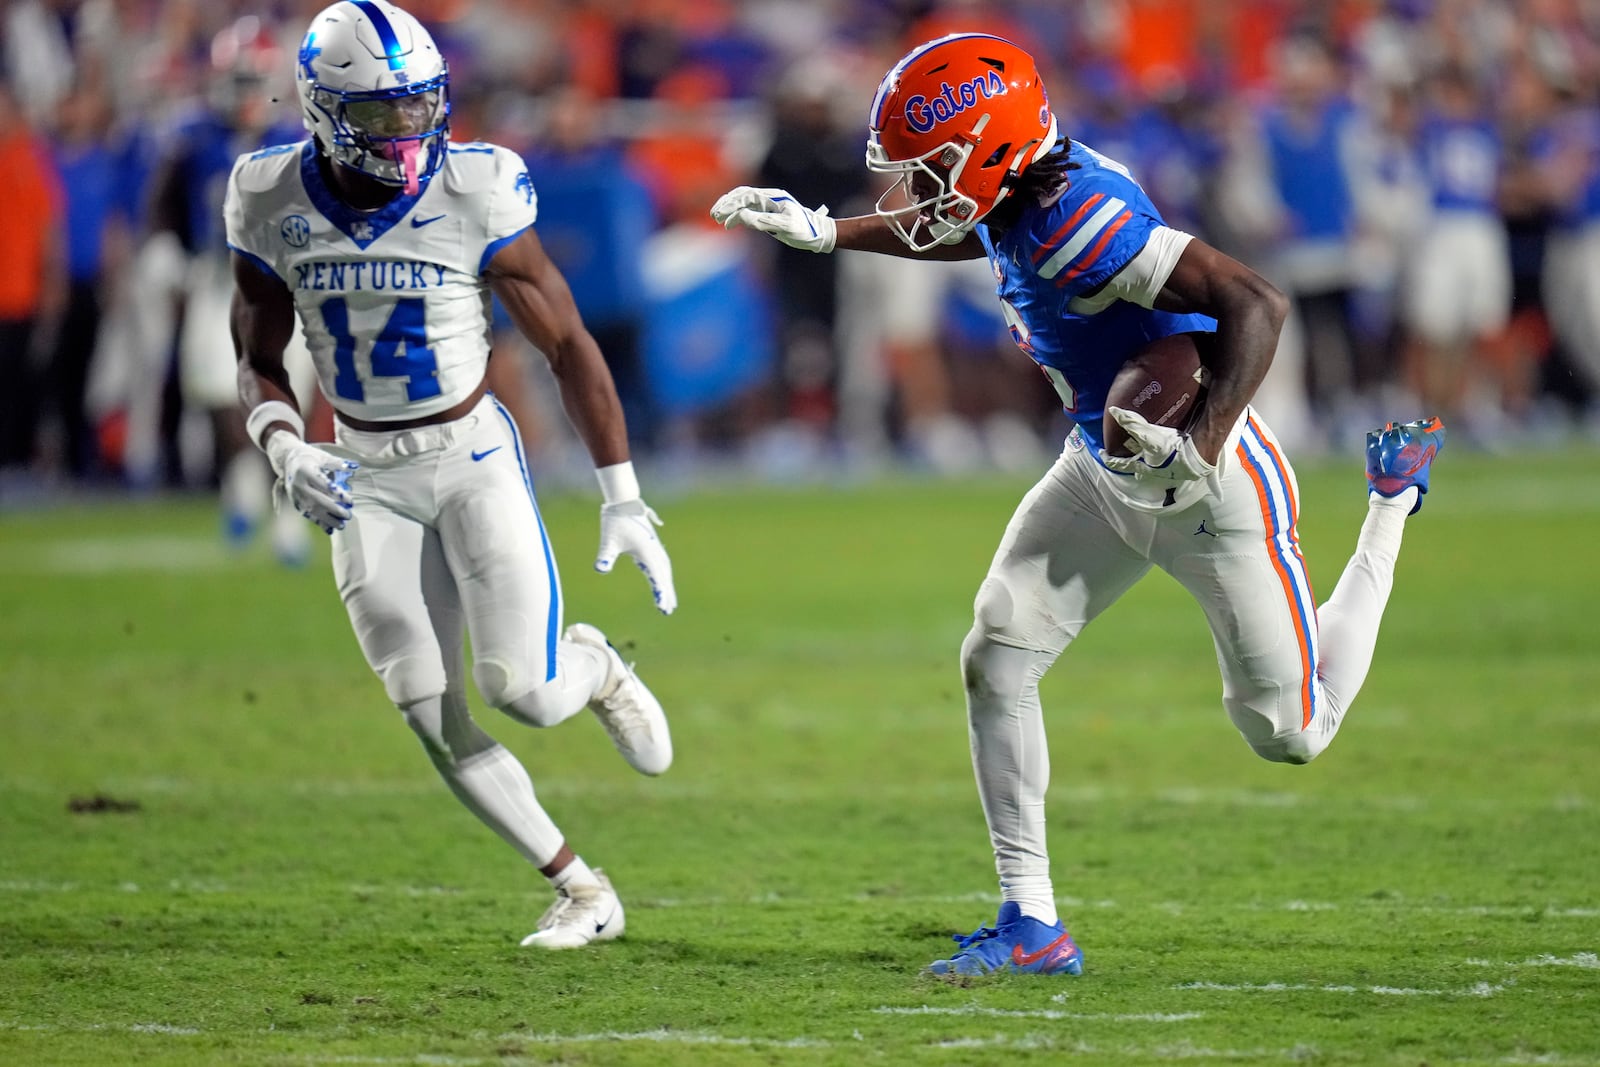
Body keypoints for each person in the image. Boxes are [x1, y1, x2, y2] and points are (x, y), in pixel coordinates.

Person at [713, 33, 1445, 977]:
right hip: (1105, 463)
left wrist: (1203, 443)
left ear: (991, 147)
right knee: (998, 650)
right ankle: (1033, 924)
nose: (920, 190)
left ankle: (1391, 502)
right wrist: (830, 231)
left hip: (1205, 486)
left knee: (1290, 732)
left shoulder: (1079, 218)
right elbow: (960, 224)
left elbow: (1257, 301)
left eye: (934, 166)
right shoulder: (1017, 189)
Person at [227, 0, 678, 949]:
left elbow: (567, 342)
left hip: (469, 454)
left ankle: (594, 666)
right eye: (385, 113)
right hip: (358, 469)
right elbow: (257, 357)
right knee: (427, 708)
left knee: (525, 688)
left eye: (423, 105)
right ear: (322, 110)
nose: (411, 130)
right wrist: (284, 448)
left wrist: (622, 494)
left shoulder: (477, 188)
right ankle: (581, 887)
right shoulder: (267, 197)